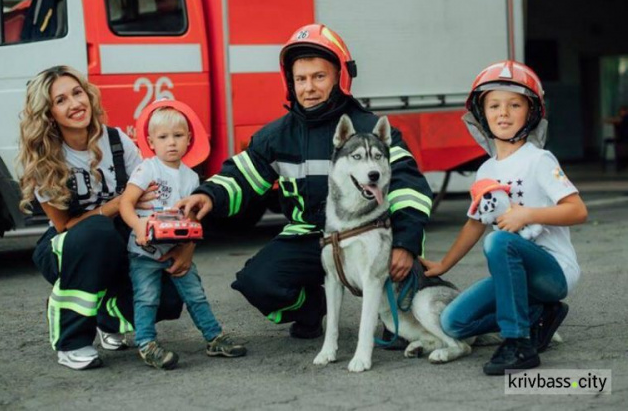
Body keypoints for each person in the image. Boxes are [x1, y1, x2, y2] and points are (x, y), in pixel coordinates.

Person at [176, 24, 433, 339]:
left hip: (371, 235)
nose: (309, 87)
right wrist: (210, 196)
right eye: (301, 79)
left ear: (340, 77)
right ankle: (312, 309)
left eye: (319, 77)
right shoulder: (276, 136)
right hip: (310, 236)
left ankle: (391, 306)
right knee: (257, 282)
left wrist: (405, 245)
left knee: (401, 334)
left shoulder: (370, 131)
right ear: (290, 82)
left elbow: (409, 190)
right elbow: (242, 175)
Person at [421, 60, 588, 375]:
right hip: (516, 277)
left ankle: (518, 342)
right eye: (494, 105)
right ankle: (541, 314)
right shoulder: (486, 170)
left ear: (531, 113)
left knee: (499, 240)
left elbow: (578, 210)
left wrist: (527, 214)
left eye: (514, 105)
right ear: (482, 114)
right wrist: (444, 264)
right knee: (453, 322)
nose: (503, 112)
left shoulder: (539, 160)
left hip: (554, 272)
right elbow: (475, 222)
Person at [18, 65, 189, 370]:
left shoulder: (116, 141)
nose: (74, 104)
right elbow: (65, 226)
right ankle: (71, 341)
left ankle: (107, 320)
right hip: (65, 248)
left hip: (119, 238)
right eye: (61, 100)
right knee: (97, 230)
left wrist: (180, 243)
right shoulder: (47, 158)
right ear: (48, 113)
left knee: (171, 297)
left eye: (77, 92)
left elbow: (148, 198)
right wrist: (118, 203)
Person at [119, 103, 247, 370]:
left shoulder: (191, 177)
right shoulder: (147, 169)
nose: (171, 143)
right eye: (163, 137)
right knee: (146, 297)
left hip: (177, 251)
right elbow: (126, 204)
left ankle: (214, 337)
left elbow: (192, 217)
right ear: (151, 142)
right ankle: (146, 344)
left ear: (189, 139)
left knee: (196, 295)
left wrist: (189, 245)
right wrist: (139, 226)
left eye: (178, 136)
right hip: (144, 253)